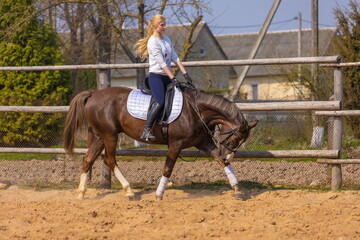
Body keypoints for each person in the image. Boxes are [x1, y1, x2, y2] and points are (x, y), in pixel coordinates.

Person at [134, 14, 193, 141]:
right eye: (162, 25)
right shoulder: (152, 42)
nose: (164, 27)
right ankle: (147, 129)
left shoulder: (166, 39)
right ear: (155, 26)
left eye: (164, 24)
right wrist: (173, 77)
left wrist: (185, 73)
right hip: (156, 77)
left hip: (167, 76)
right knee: (160, 101)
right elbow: (161, 63)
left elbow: (175, 57)